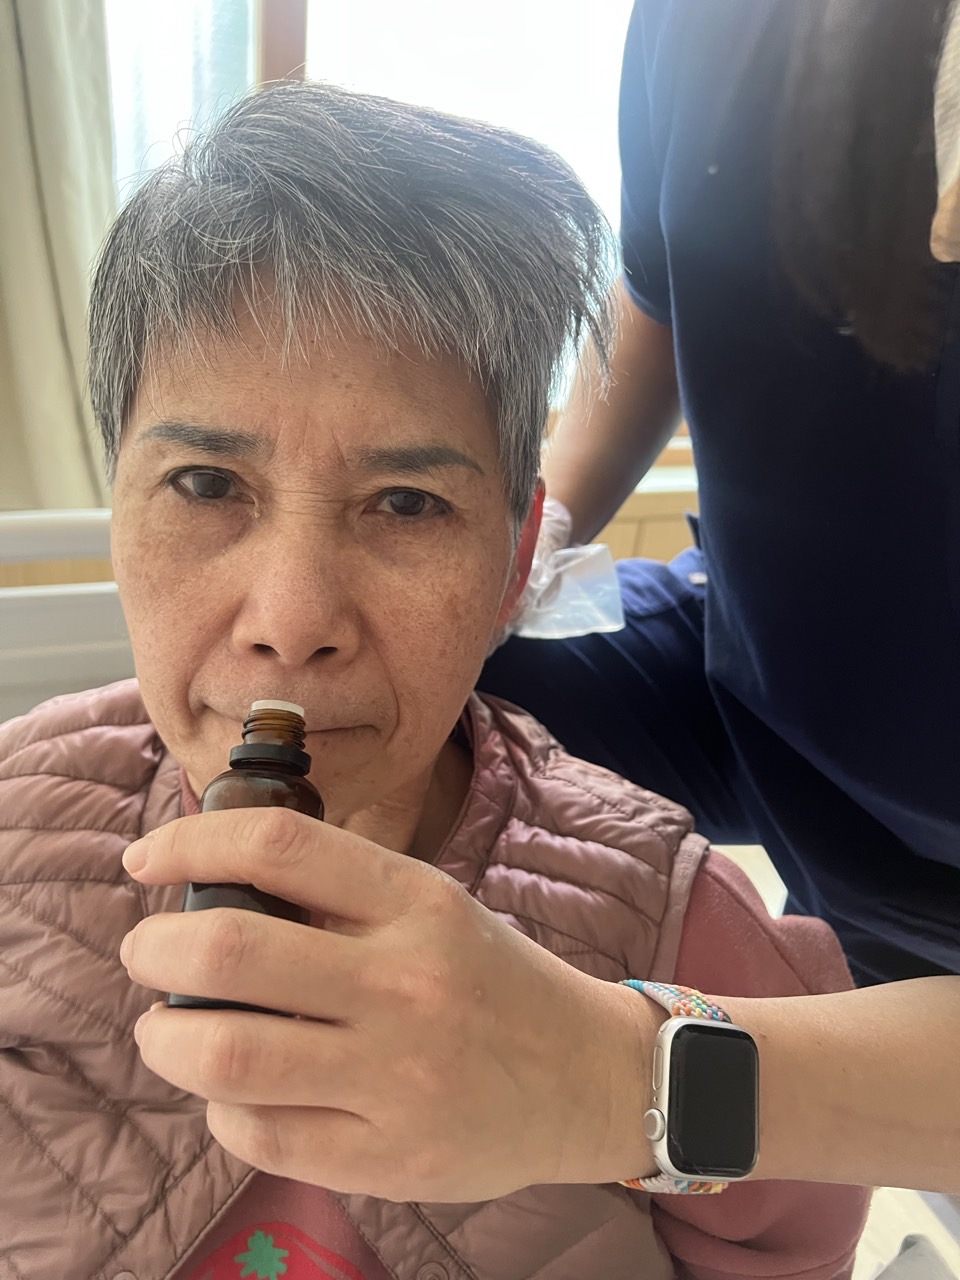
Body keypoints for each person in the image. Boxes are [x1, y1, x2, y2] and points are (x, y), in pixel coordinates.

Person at [0, 83, 870, 1280]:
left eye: (406, 503)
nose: (291, 622)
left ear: (515, 560)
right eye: (205, 484)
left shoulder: (685, 935)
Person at [479, 0, 960, 1193]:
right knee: (427, 662)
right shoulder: (702, 22)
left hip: (929, 844)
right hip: (755, 673)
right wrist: (528, 532)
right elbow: (659, 291)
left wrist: (613, 1079)